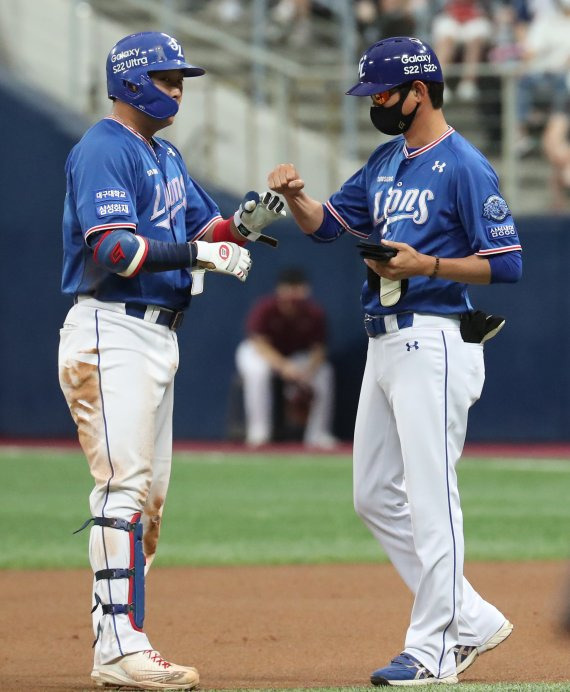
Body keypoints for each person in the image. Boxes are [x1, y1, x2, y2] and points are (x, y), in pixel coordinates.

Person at [268, 36, 521, 685]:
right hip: (385, 339)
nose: (376, 103)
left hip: (435, 335)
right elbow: (328, 226)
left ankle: (432, 649)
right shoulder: (386, 161)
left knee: (432, 498)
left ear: (420, 89)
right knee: (374, 494)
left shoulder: (463, 165)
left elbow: (507, 263)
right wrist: (296, 195)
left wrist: (428, 263)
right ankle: (471, 615)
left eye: (384, 92)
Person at [58, 31, 284, 691]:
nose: (177, 87)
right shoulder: (103, 148)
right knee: (123, 490)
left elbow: (202, 231)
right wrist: (200, 255)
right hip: (111, 326)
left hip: (155, 335)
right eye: (165, 76)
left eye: (181, 76)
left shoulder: (165, 153)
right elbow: (116, 251)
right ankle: (125, 646)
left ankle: (114, 646)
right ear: (130, 81)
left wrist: (238, 228)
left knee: (148, 504)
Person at [235, 267, 337, 448]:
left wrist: (308, 371)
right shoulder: (265, 308)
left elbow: (318, 350)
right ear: (280, 289)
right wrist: (284, 367)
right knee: (258, 372)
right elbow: (260, 344)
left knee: (324, 373)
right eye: (289, 288)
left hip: (295, 357)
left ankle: (318, 434)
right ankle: (259, 433)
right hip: (261, 354)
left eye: (298, 288)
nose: (293, 295)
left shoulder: (314, 312)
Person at [431, 0, 493, 101]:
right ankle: (439, 83)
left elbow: (488, 9)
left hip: (476, 18)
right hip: (450, 16)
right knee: (446, 37)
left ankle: (468, 82)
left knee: (476, 37)